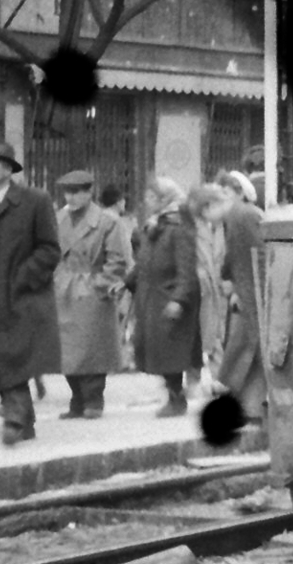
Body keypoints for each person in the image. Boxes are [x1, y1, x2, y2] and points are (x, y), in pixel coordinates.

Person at [0, 140, 62, 444]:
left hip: (21, 297)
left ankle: (16, 418)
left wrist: (23, 278)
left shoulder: (35, 201)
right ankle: (19, 421)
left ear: (8, 170)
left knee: (15, 354)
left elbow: (49, 249)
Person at [53, 170, 132, 419]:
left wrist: (99, 285)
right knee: (67, 350)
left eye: (77, 192)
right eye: (68, 192)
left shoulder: (108, 222)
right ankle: (77, 399)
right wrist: (55, 279)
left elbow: (117, 260)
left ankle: (93, 399)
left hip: (92, 288)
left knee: (93, 349)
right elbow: (49, 251)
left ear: (89, 193)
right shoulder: (59, 218)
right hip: (63, 289)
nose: (72, 197)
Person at [129, 176, 201, 417]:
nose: (146, 202)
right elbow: (144, 261)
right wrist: (127, 281)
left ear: (164, 199)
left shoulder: (178, 228)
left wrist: (179, 299)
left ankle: (176, 398)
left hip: (168, 297)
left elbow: (187, 269)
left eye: (151, 197)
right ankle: (173, 395)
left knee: (171, 351)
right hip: (151, 297)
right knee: (156, 349)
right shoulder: (154, 225)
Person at [215, 170, 266, 421]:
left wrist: (231, 281)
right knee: (253, 348)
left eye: (226, 192)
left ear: (239, 193)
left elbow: (235, 256)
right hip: (252, 289)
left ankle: (246, 405)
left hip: (249, 289)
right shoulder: (246, 214)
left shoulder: (240, 214)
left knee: (247, 347)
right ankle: (251, 407)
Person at [186, 184, 231, 394]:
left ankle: (218, 379)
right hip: (202, 292)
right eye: (218, 204)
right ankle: (196, 381)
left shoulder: (225, 226)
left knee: (219, 335)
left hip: (220, 291)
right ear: (206, 208)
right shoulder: (192, 230)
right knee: (203, 336)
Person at [98, 183, 139, 370]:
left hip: (100, 276)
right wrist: (131, 276)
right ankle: (119, 360)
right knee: (120, 320)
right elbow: (124, 253)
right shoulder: (116, 222)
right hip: (119, 278)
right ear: (118, 202)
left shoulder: (96, 219)